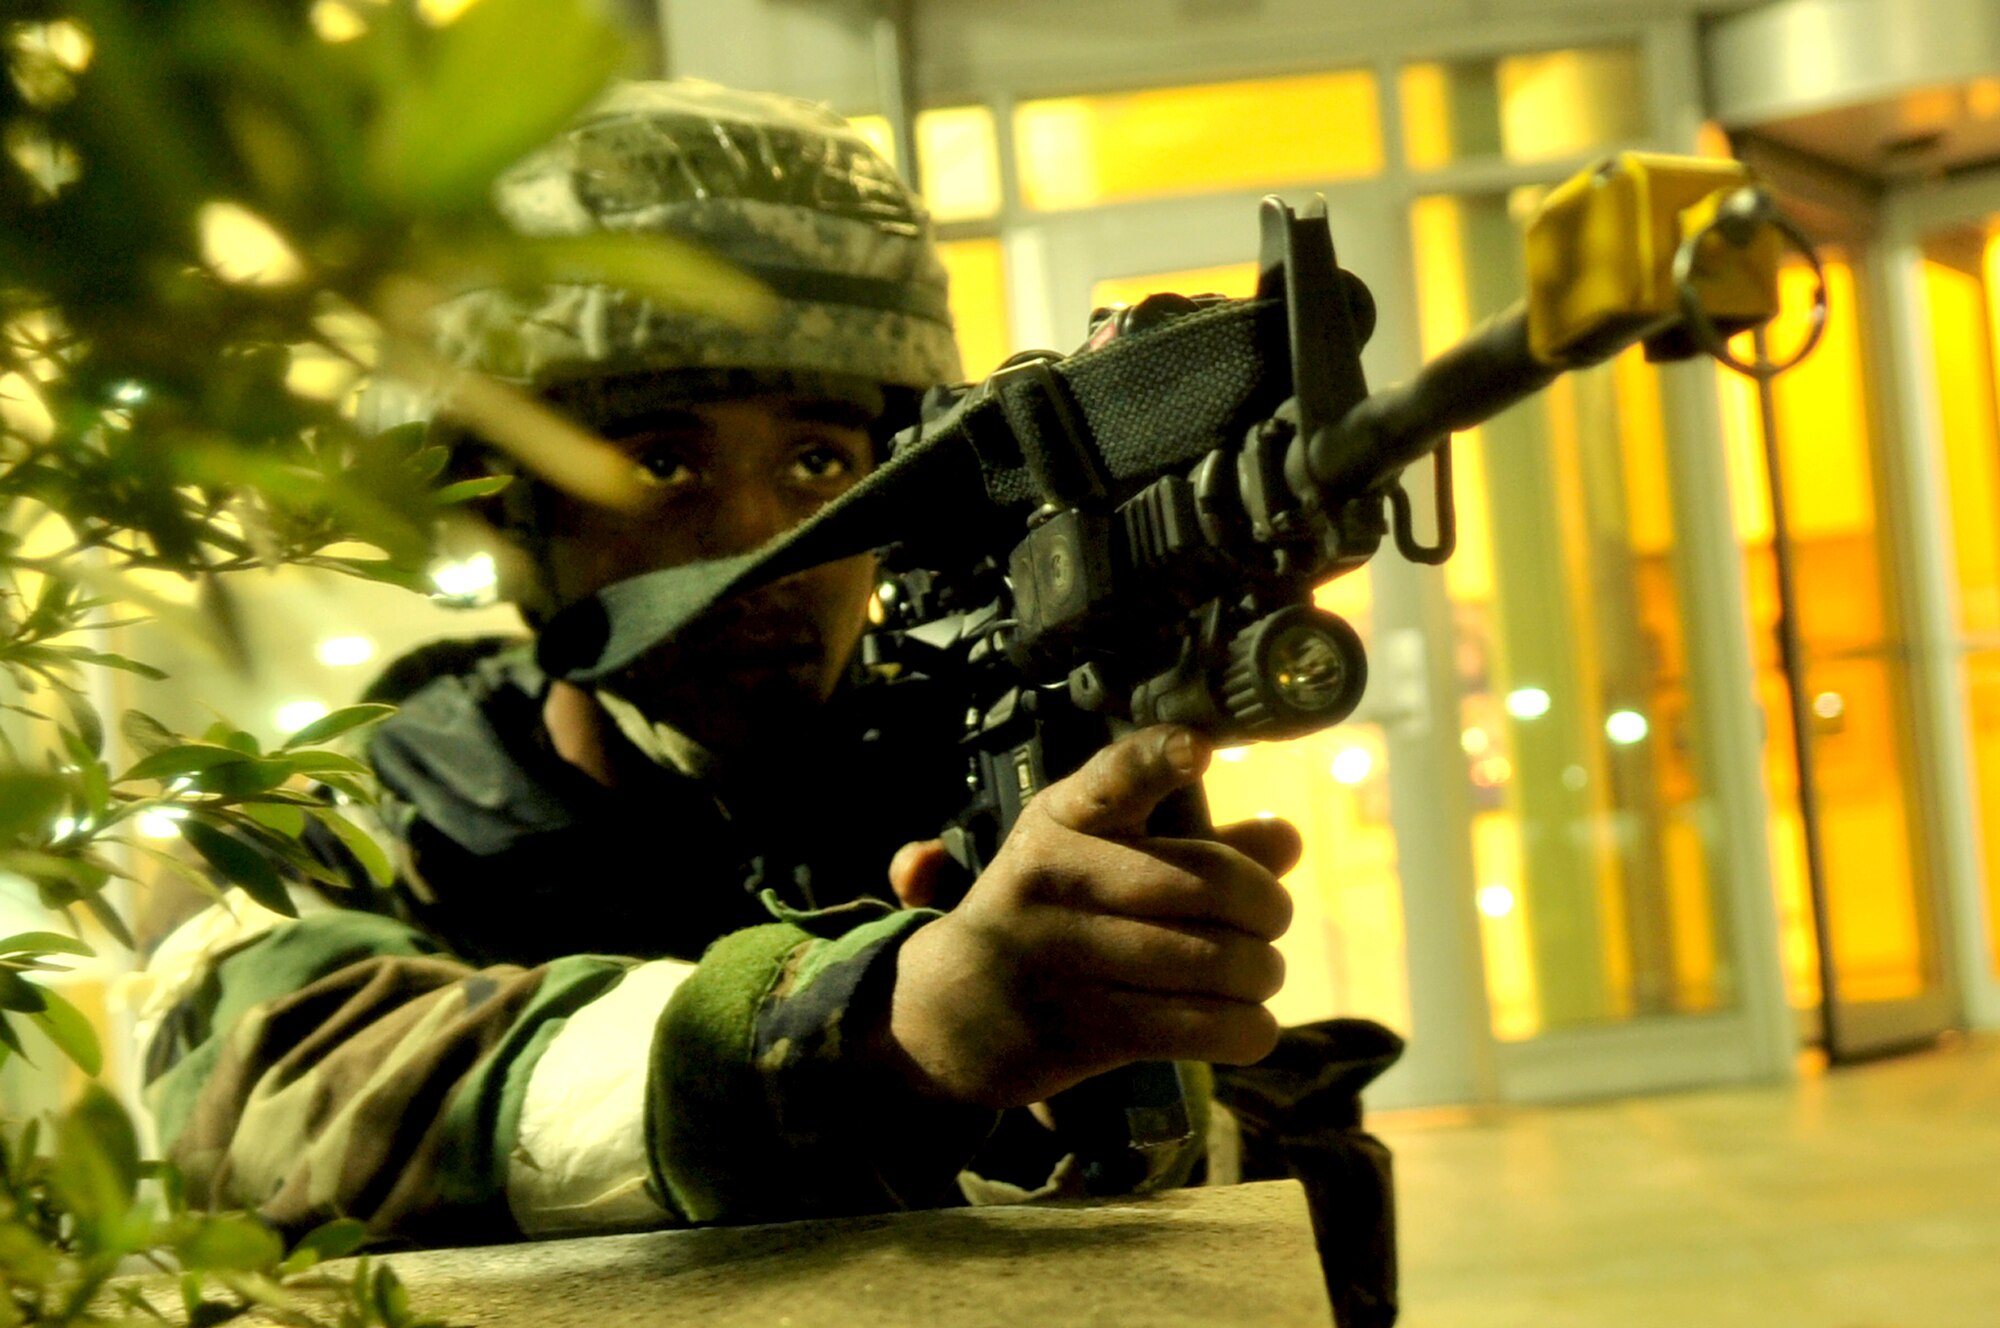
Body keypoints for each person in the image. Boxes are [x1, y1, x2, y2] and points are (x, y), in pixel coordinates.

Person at [130, 79, 1300, 1246]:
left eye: (814, 463)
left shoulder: (984, 759)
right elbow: (276, 1089)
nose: (761, 544)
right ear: (506, 515)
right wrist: (882, 1029)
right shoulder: (317, 819)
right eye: (660, 466)